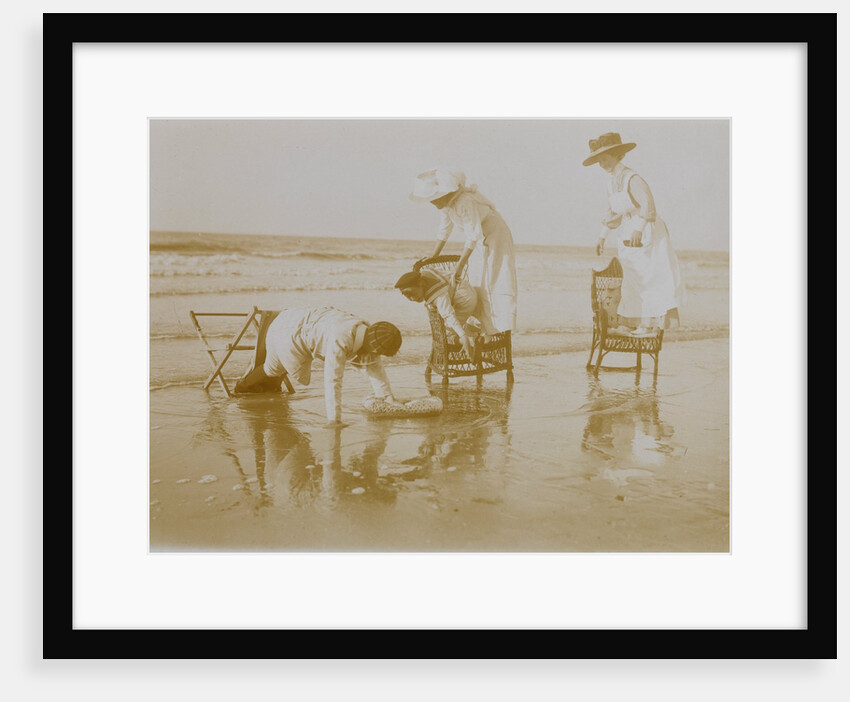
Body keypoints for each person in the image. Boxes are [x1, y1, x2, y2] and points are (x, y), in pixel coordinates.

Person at [583, 132, 686, 334]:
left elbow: (648, 204)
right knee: (633, 276)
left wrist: (639, 229)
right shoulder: (611, 182)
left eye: (605, 159)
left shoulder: (633, 178)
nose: (602, 164)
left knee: (649, 276)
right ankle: (637, 322)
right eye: (599, 161)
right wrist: (602, 236)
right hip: (628, 230)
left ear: (618, 156)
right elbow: (613, 212)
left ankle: (650, 324)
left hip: (647, 228)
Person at [234, 306, 404, 424]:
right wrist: (334, 419)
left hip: (292, 318)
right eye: (378, 352)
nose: (377, 357)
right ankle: (243, 385)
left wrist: (387, 397)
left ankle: (266, 385)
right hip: (285, 331)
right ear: (372, 346)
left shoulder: (365, 329)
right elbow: (333, 380)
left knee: (277, 368)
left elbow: (375, 366)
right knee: (272, 368)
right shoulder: (340, 339)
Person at [410, 168, 518, 336]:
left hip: (495, 235)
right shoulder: (447, 206)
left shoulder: (464, 201)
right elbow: (444, 230)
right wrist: (434, 255)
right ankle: (482, 328)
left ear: (443, 194)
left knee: (491, 280)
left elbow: (472, 235)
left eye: (433, 199)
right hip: (480, 239)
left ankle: (494, 329)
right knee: (477, 281)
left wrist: (459, 268)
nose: (432, 203)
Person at [394, 267, 493, 362]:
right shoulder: (425, 274)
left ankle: (472, 340)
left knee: (445, 334)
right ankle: (475, 329)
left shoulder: (438, 296)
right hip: (468, 289)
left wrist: (462, 335)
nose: (411, 299)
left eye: (411, 293)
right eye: (406, 296)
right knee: (455, 325)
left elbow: (448, 314)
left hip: (465, 301)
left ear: (420, 283)